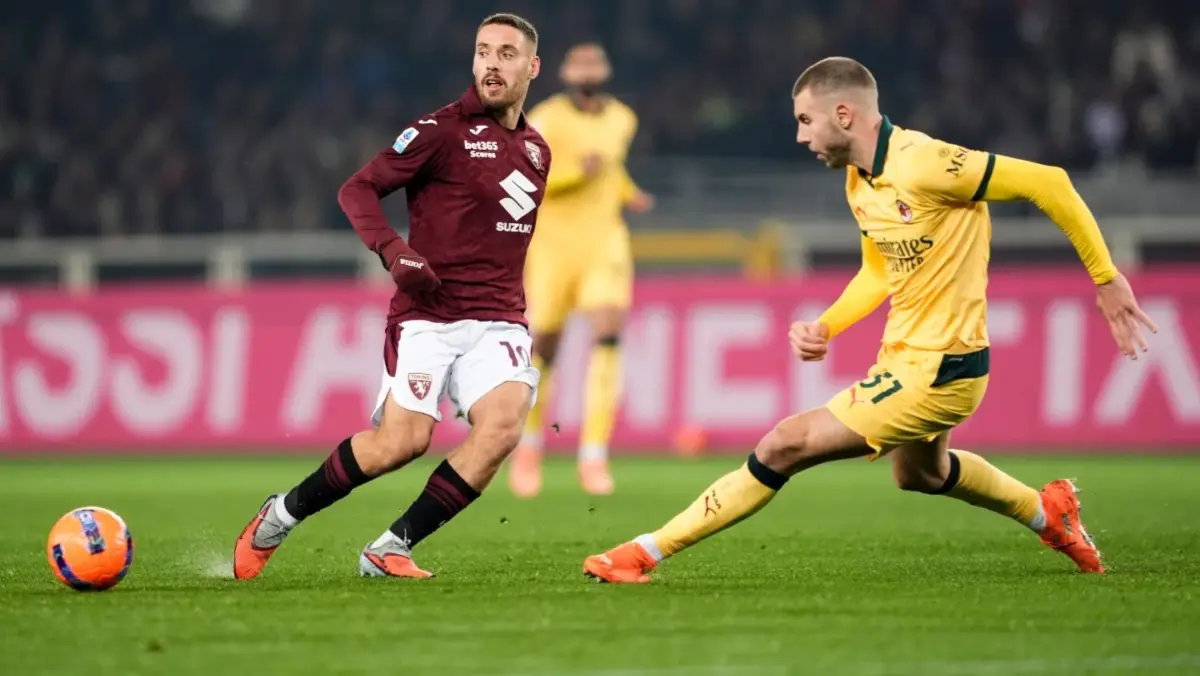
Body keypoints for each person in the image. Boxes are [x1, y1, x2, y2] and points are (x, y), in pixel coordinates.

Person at [582, 57, 1158, 583]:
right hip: (907, 357)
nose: (800, 135)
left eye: (806, 121)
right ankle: (1048, 513)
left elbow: (1049, 182)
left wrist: (1105, 279)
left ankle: (646, 551)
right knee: (921, 475)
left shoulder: (928, 164)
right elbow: (878, 271)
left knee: (785, 443)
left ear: (842, 113)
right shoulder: (859, 180)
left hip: (942, 368)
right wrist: (828, 325)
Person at [233, 13, 551, 580]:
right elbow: (356, 188)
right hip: (428, 318)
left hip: (500, 320)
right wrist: (394, 251)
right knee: (400, 444)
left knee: (503, 428)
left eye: (506, 54)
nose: (491, 64)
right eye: (482, 52)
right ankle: (280, 514)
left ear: (532, 67)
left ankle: (391, 547)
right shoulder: (440, 131)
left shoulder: (535, 150)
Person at [508, 42, 653, 497]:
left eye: (595, 63)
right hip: (553, 247)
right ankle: (529, 447)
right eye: (580, 64)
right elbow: (526, 176)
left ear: (605, 71)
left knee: (609, 333)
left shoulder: (622, 118)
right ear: (566, 72)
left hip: (605, 242)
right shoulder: (545, 119)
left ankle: (594, 454)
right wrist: (575, 171)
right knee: (545, 348)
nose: (588, 71)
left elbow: (611, 168)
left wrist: (629, 192)